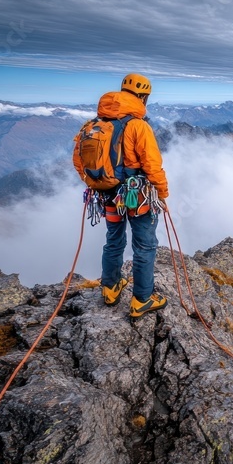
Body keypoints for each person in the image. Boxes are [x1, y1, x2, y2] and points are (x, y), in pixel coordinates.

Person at [73, 73, 169, 318]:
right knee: (145, 245)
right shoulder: (138, 126)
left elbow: (78, 160)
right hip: (137, 198)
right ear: (143, 97)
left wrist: (97, 182)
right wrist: (162, 194)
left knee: (114, 240)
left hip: (106, 195)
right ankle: (142, 300)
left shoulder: (93, 124)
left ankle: (111, 287)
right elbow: (152, 165)